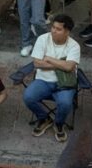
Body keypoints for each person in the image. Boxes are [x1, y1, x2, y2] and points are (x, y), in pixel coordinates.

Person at [24, 13, 81, 142]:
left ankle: (59, 123)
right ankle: (44, 118)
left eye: (58, 29)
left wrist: (49, 59)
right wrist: (61, 64)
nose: (53, 31)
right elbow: (37, 63)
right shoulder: (42, 39)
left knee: (65, 103)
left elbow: (69, 67)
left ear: (67, 32)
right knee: (28, 97)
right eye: (53, 27)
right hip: (43, 81)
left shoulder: (74, 46)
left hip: (64, 84)